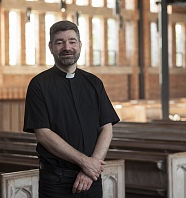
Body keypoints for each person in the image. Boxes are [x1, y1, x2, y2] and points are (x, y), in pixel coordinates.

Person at [23, 20, 120, 198]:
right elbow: (43, 134)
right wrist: (86, 163)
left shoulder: (94, 83)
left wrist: (91, 167)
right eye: (60, 42)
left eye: (72, 41)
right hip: (56, 182)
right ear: (51, 47)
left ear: (80, 45)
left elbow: (106, 127)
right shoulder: (39, 84)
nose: (67, 47)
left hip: (92, 178)